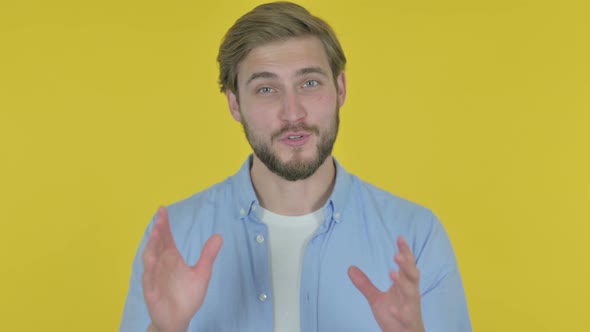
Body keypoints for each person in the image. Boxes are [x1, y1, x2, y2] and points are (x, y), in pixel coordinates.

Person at [120, 2, 471, 331]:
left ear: (340, 88)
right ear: (234, 104)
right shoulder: (175, 237)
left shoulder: (415, 236)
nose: (292, 112)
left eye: (309, 83)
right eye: (266, 88)